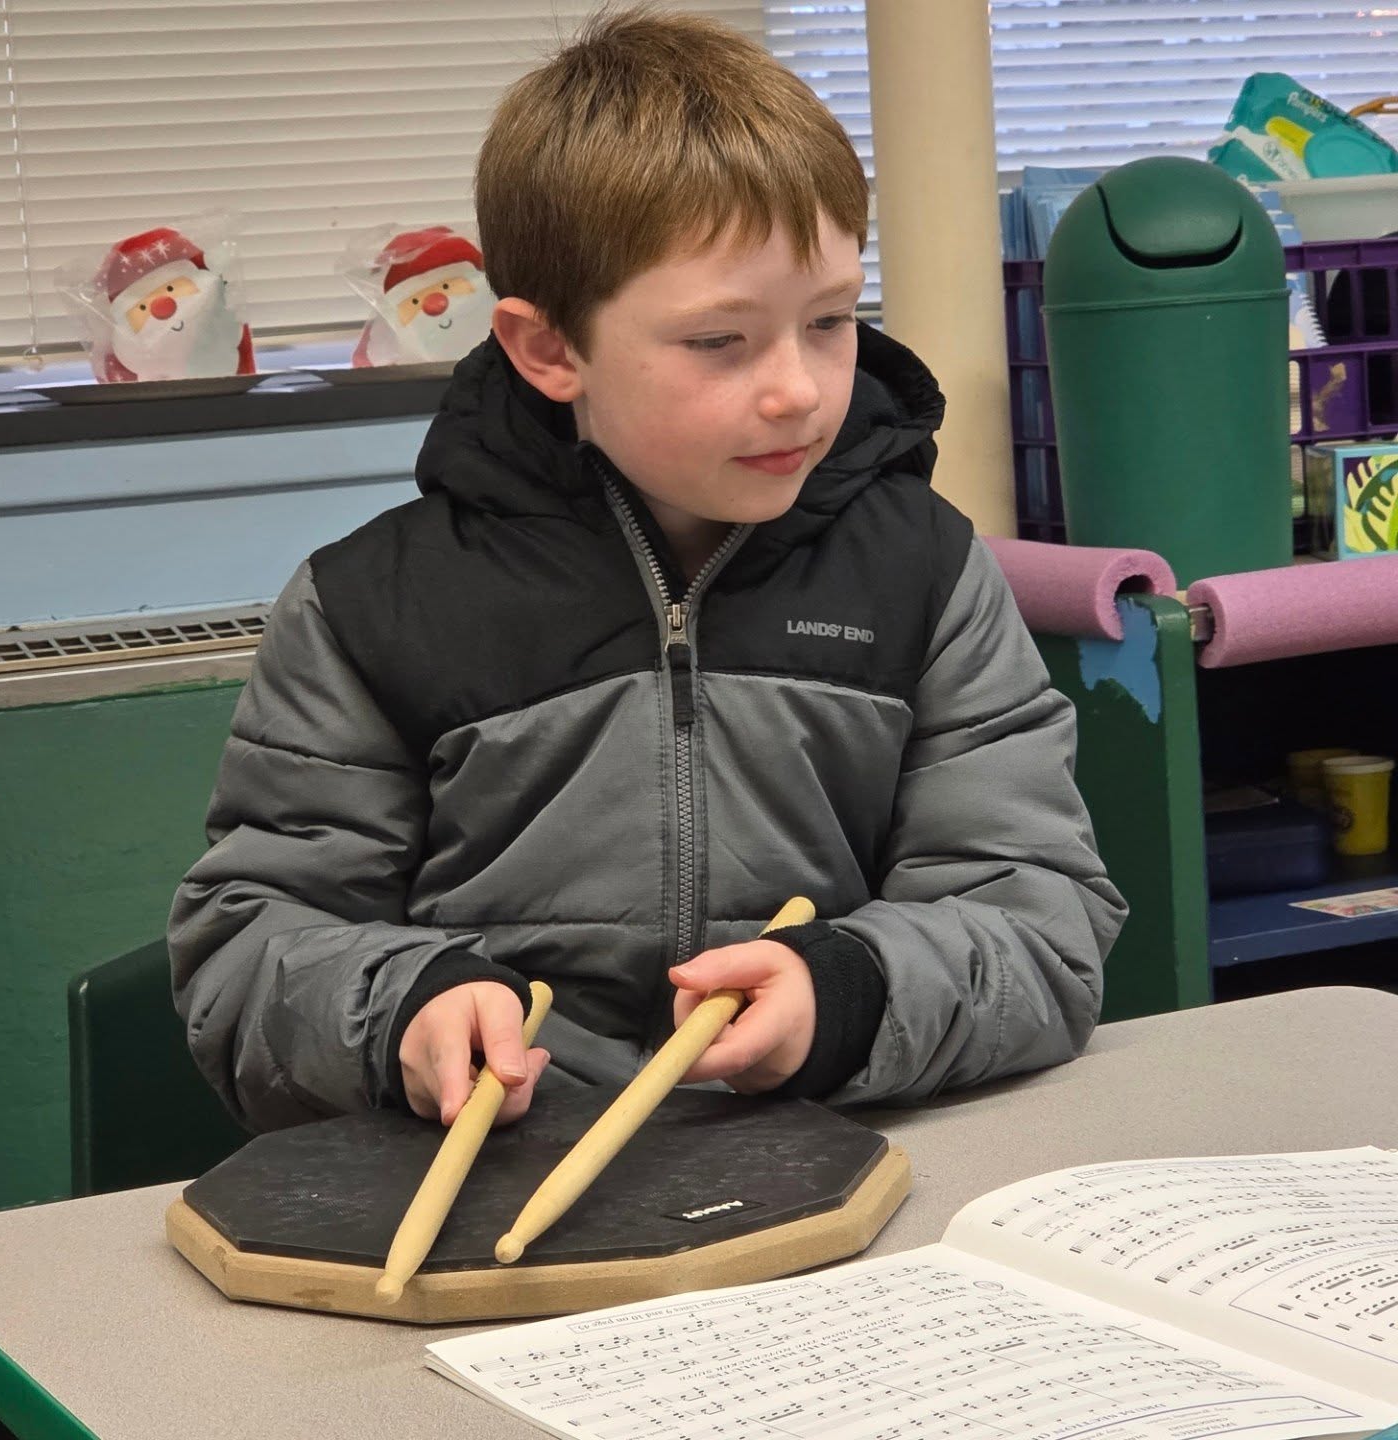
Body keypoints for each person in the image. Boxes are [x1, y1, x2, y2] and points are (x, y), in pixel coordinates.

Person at [168, 6, 1126, 1135]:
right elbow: (247, 948)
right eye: (720, 341)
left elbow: (1041, 918)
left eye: (830, 320)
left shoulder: (924, 570)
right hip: (496, 1198)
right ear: (547, 349)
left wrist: (850, 991)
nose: (799, 391)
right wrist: (403, 1010)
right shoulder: (369, 607)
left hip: (829, 1182)